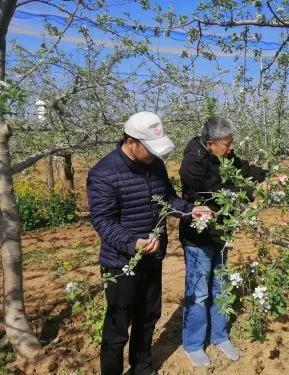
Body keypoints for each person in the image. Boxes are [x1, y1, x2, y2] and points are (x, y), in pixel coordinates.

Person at [87, 111, 211, 375]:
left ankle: (142, 368)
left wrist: (189, 209)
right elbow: (103, 221)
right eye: (150, 148)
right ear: (131, 142)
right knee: (118, 326)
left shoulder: (155, 165)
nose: (155, 154)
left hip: (152, 257)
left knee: (147, 318)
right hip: (121, 262)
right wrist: (133, 242)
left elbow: (167, 199)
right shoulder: (104, 173)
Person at [178, 116, 268, 367]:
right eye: (227, 144)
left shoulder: (225, 155)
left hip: (223, 232)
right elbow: (218, 191)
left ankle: (219, 336)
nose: (231, 148)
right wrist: (251, 193)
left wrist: (266, 178)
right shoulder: (192, 163)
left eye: (231, 143)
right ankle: (193, 344)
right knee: (198, 292)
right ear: (210, 143)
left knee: (221, 286)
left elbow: (244, 169)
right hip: (199, 237)